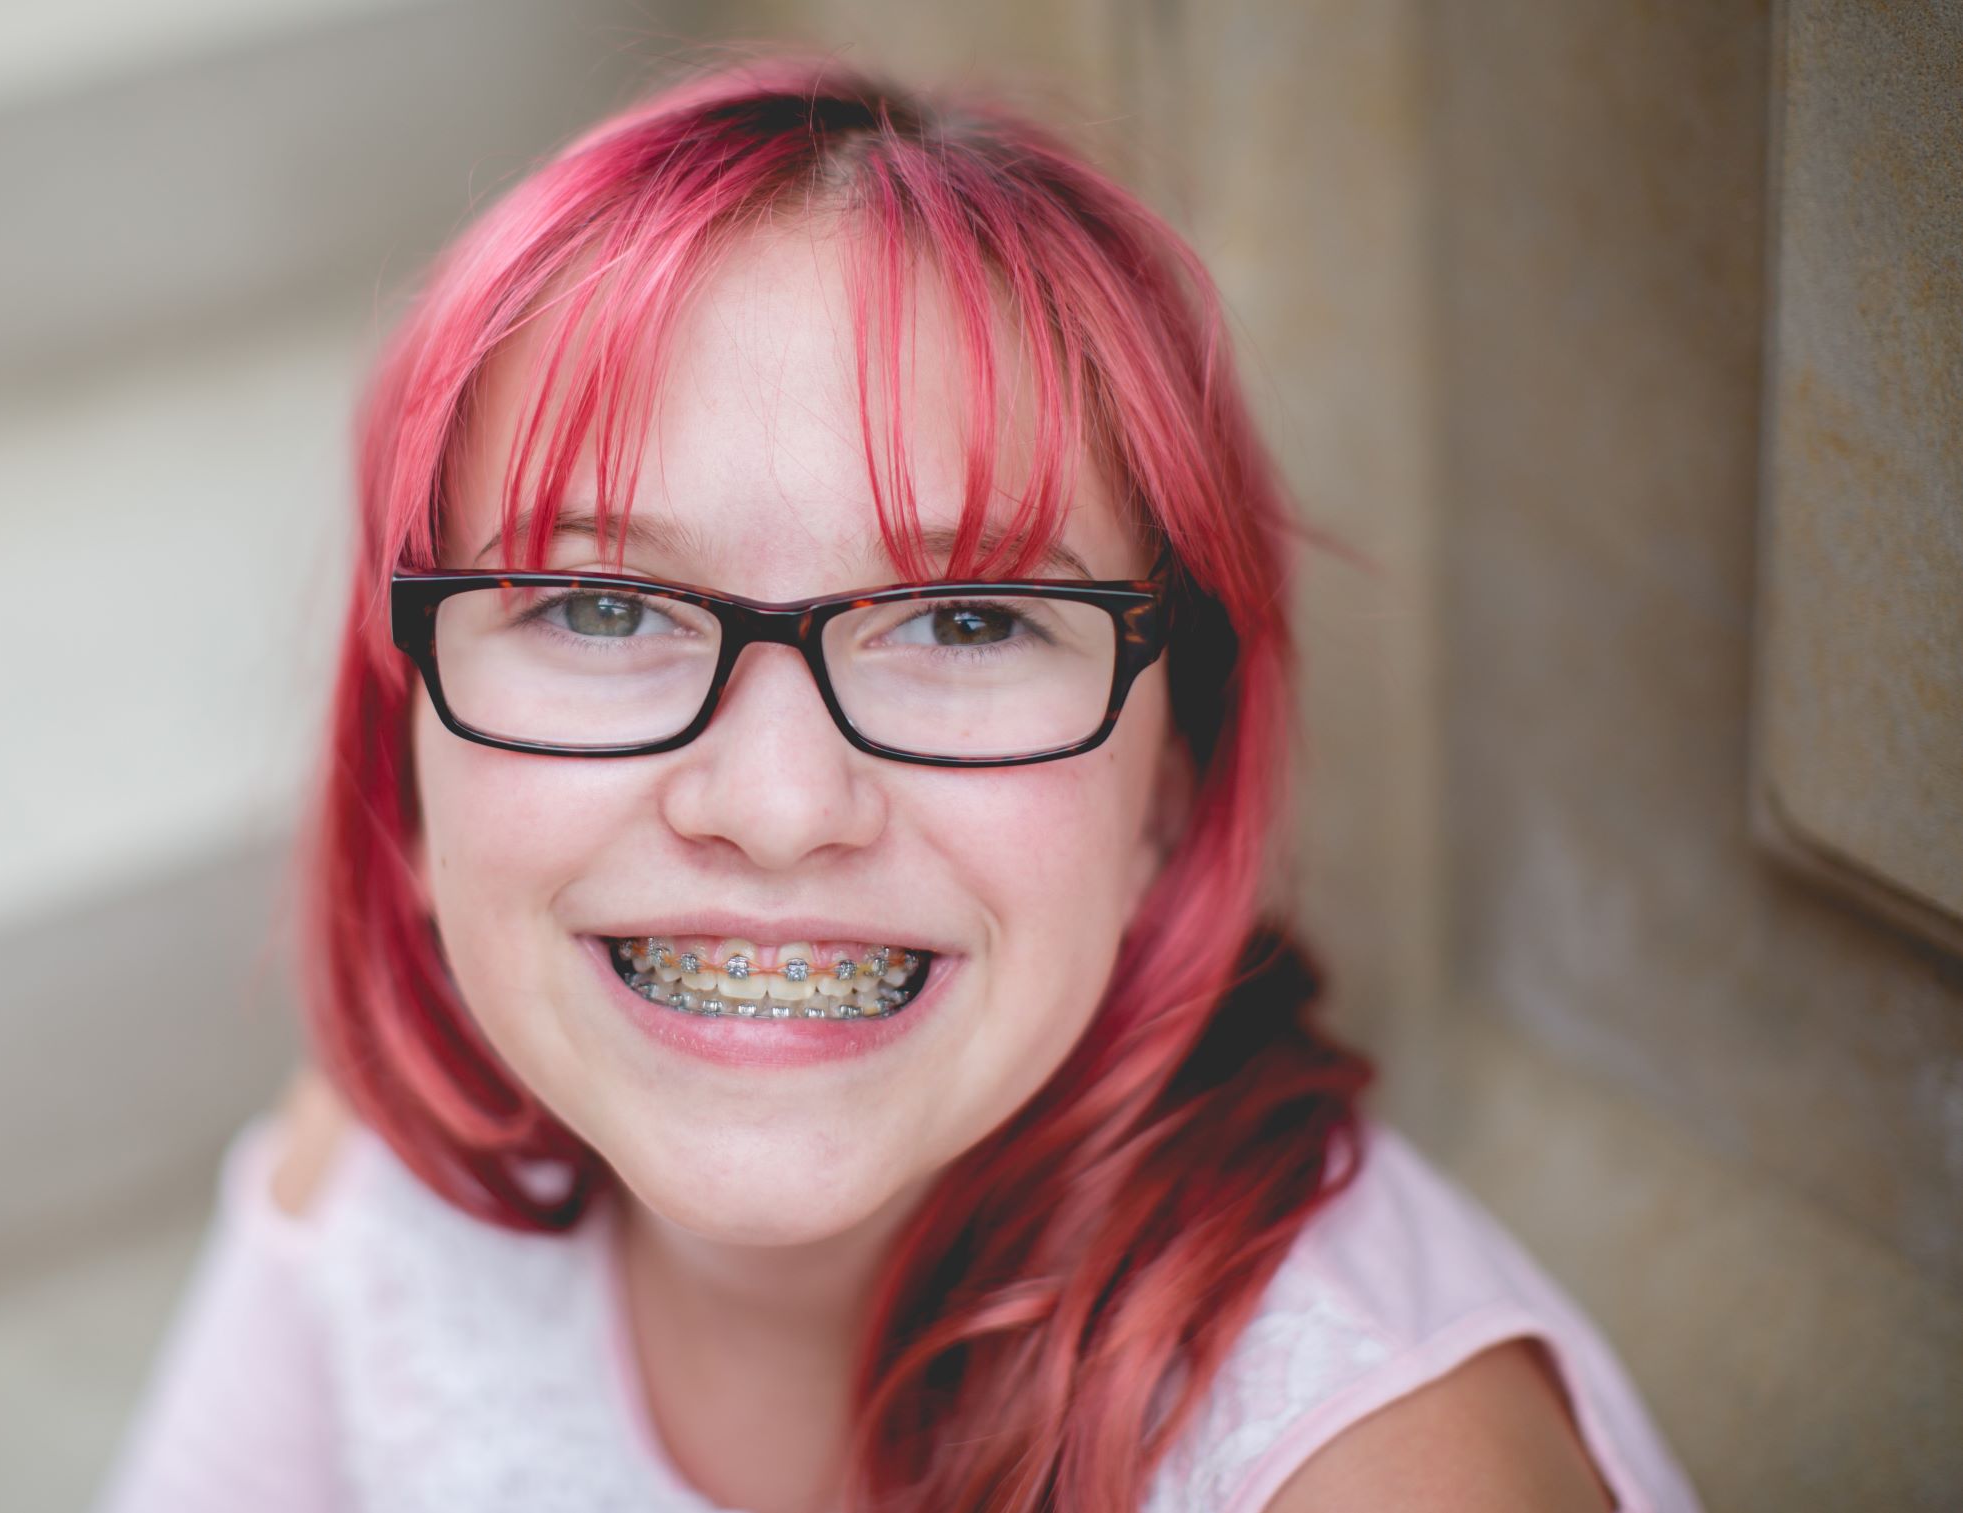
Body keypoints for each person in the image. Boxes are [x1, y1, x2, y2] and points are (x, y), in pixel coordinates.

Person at [95, 56, 1699, 1513]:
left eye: (968, 619)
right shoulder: (373, 1185)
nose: (781, 804)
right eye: (601, 608)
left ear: (1168, 782)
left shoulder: (1379, 1481)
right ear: (411, 752)